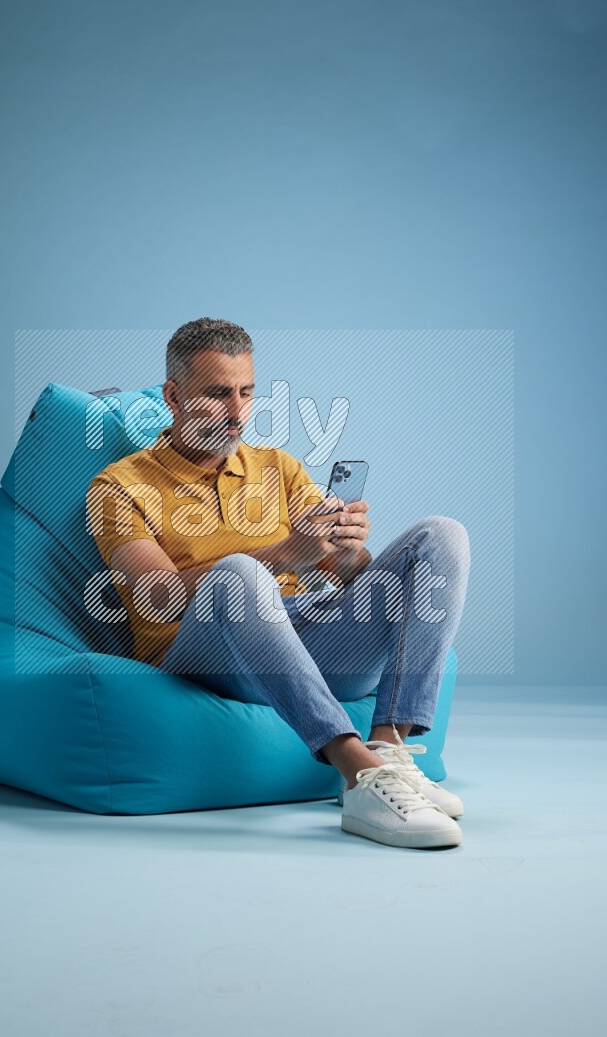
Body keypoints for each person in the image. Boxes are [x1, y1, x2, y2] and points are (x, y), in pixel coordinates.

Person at [86, 317, 471, 850]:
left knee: (441, 536)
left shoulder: (278, 468)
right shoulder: (119, 486)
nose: (238, 412)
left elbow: (348, 575)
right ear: (174, 396)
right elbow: (158, 595)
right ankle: (357, 773)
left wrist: (346, 550)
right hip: (204, 657)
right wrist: (288, 552)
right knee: (238, 574)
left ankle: (389, 752)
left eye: (247, 392)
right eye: (217, 394)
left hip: (300, 636)